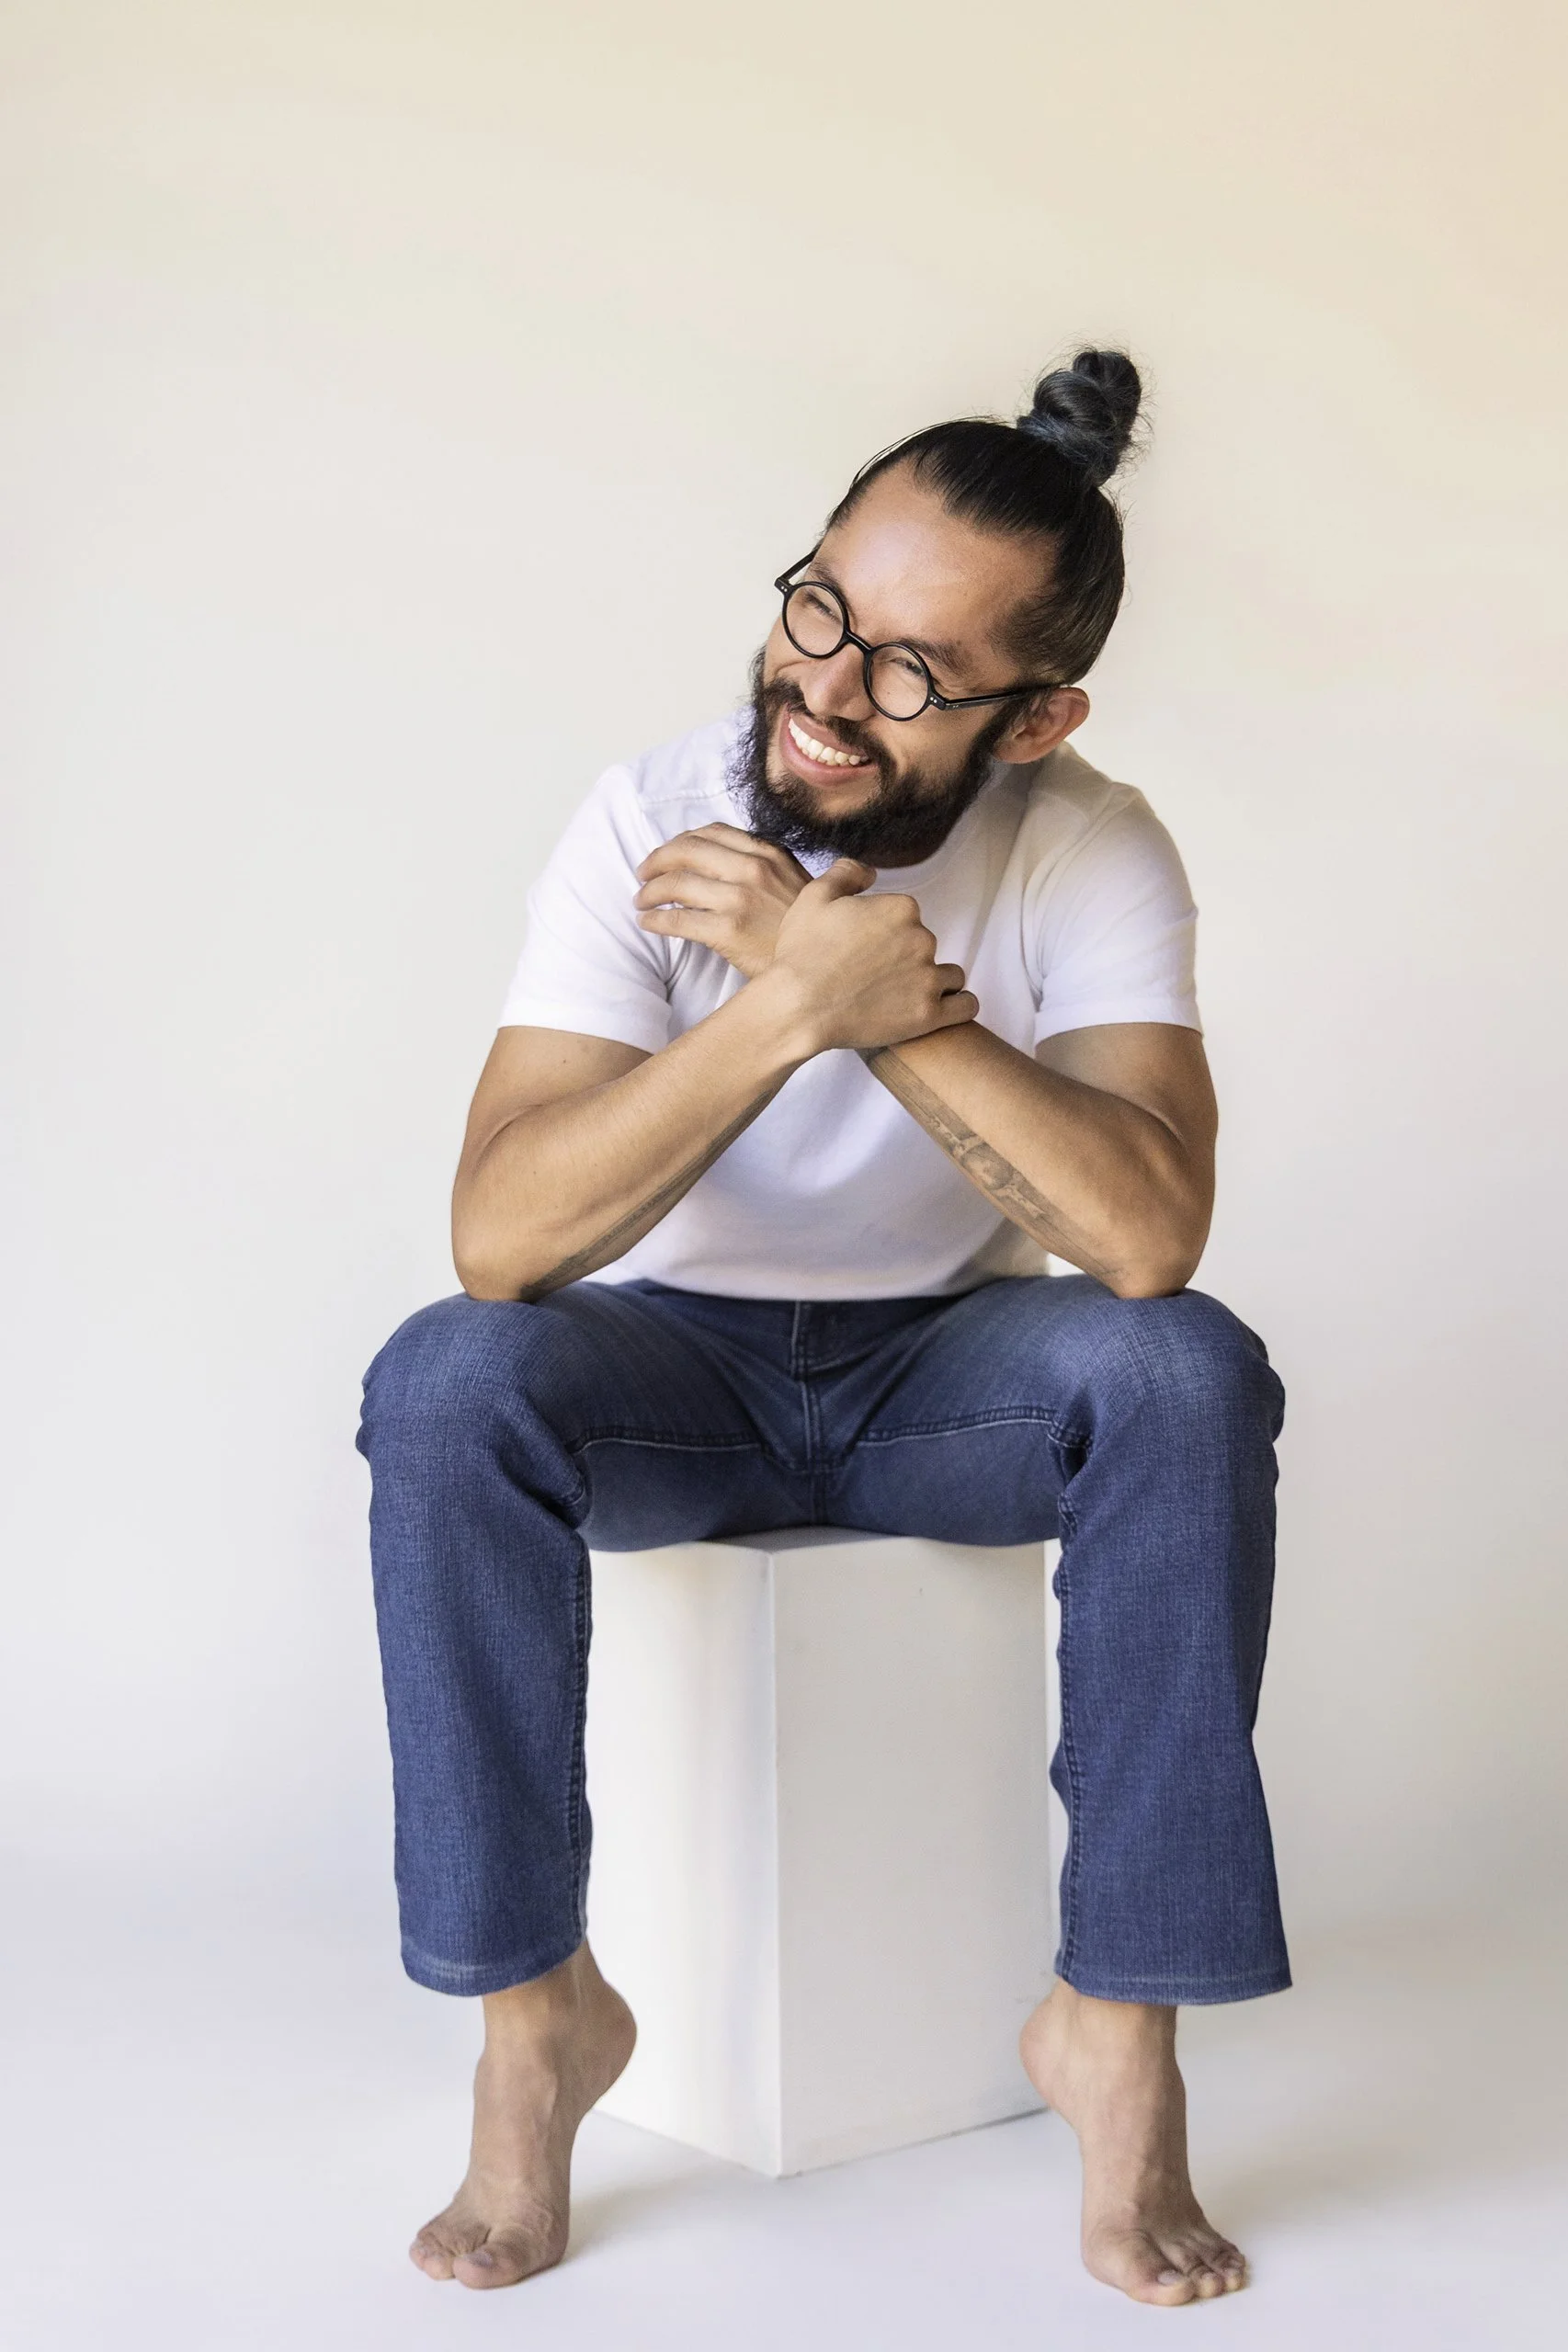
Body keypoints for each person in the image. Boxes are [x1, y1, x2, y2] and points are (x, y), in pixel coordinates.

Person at [357, 347, 1289, 2309]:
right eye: (818, 612)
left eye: (913, 673)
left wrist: (898, 1003)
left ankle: (1115, 2027)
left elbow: (1142, 1240)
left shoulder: (1093, 845)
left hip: (947, 1380)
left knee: (1185, 1372)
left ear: (1037, 715)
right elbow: (500, 1239)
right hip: (664, 1375)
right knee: (446, 1387)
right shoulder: (646, 815)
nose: (826, 691)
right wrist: (783, 1006)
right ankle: (539, 2024)